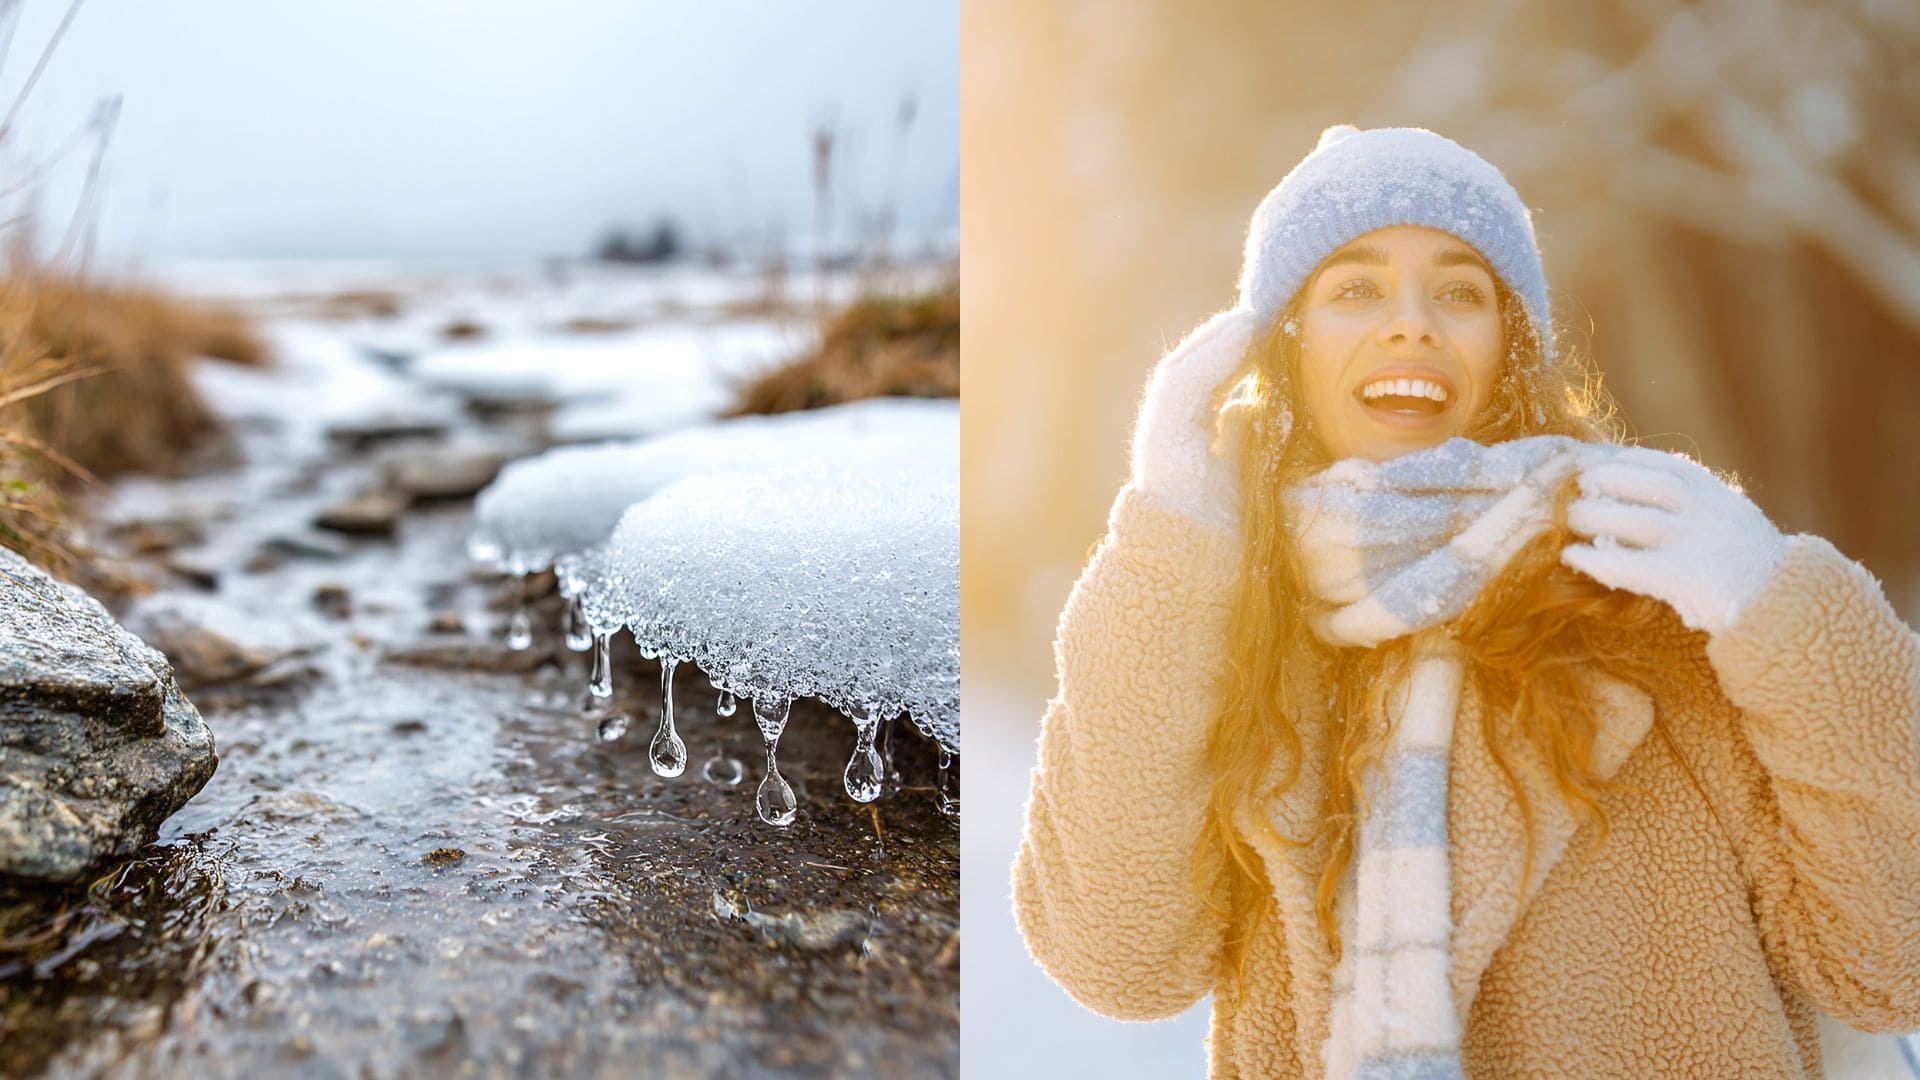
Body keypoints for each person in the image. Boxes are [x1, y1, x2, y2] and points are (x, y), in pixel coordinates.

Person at [1012, 125, 1920, 1078]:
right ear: (1281, 350)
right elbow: (1114, 959)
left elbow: (1891, 960)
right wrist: (1170, 534)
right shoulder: (1228, 630)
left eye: (1459, 291)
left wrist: (1782, 609)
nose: (1412, 324)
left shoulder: (1656, 600)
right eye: (1355, 288)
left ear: (1511, 347)